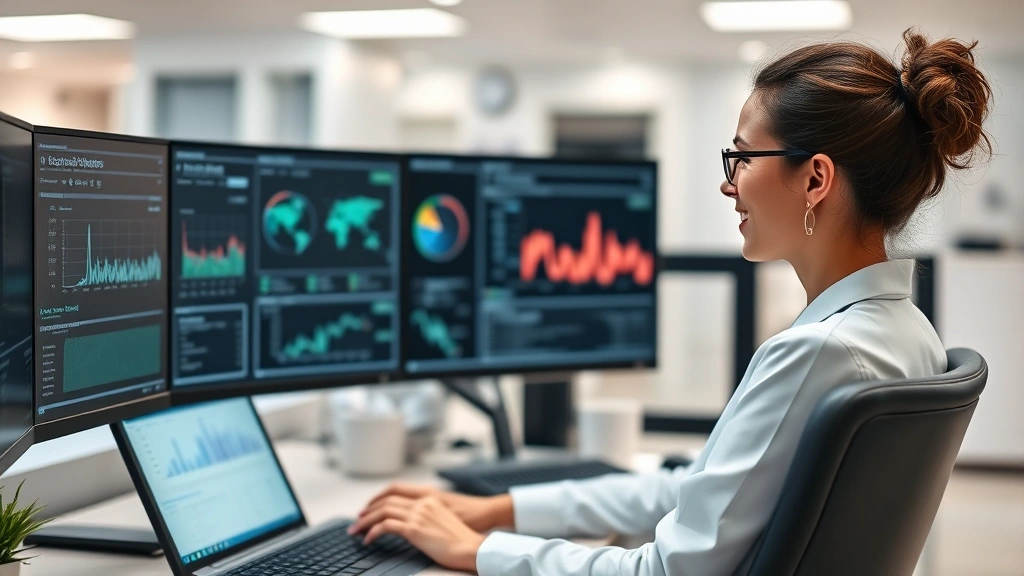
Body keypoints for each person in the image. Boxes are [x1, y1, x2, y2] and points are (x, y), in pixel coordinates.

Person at [348, 28, 993, 575]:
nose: (726, 181)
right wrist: (502, 509)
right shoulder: (905, 332)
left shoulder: (819, 353)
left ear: (816, 178)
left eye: (742, 156)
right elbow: (698, 492)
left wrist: (479, 549)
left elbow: (665, 569)